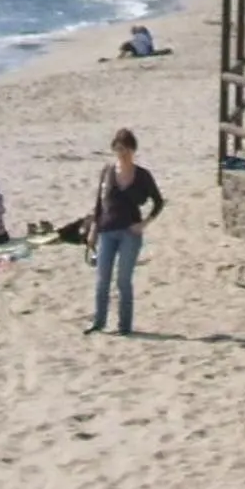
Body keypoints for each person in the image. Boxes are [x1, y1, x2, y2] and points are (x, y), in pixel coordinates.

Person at [84, 128, 165, 337]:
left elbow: (158, 202)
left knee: (123, 280)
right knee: (102, 279)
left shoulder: (142, 175)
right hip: (106, 230)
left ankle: (124, 326)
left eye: (126, 150)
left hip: (130, 232)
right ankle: (99, 322)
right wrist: (93, 228)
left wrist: (144, 223)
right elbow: (99, 203)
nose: (122, 154)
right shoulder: (107, 171)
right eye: (119, 149)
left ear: (133, 150)